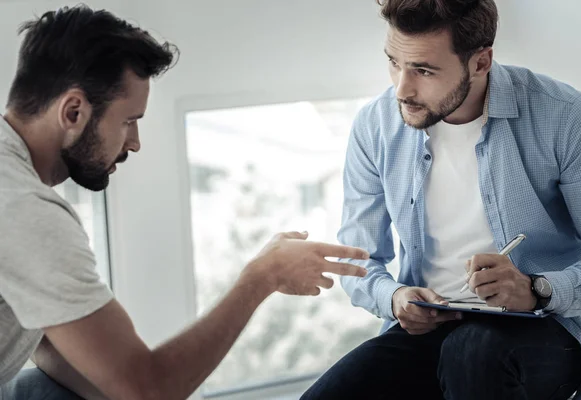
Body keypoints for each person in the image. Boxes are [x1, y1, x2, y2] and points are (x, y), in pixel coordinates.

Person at [0, 5, 371, 400]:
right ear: (73, 112)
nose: (135, 142)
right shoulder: (26, 210)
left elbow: (54, 348)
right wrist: (262, 277)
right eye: (128, 121)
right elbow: (149, 390)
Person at [301, 0, 581, 399]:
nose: (402, 88)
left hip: (541, 329)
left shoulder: (564, 116)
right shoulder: (375, 125)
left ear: (480, 62)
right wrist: (395, 298)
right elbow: (359, 258)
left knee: (472, 352)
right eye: (394, 62)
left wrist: (537, 288)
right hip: (428, 330)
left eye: (423, 70)